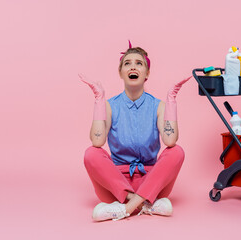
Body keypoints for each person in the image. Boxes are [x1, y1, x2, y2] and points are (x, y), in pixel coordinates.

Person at [80, 41, 190, 222]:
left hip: (153, 183)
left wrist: (171, 100)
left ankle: (124, 209)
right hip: (115, 187)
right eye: (127, 63)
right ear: (121, 72)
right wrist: (99, 100)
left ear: (147, 73)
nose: (133, 67)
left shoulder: (158, 106)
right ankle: (145, 205)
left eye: (139, 63)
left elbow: (170, 141)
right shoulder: (109, 106)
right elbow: (97, 142)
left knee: (176, 151)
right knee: (91, 153)